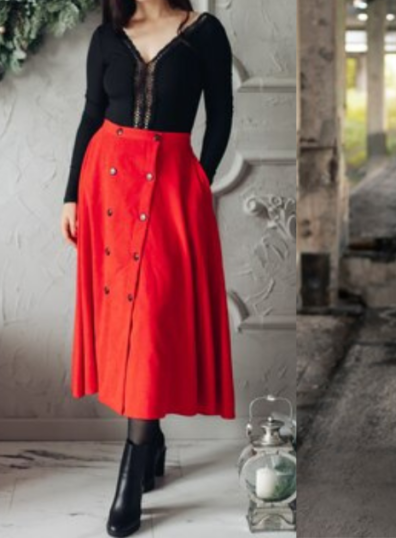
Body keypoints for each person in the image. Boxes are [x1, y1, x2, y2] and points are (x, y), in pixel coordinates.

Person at [58, 1, 234, 535]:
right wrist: (70, 197)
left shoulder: (204, 32)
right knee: (122, 326)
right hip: (107, 187)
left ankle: (133, 468)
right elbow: (92, 114)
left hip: (172, 192)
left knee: (152, 322)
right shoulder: (108, 35)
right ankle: (149, 439)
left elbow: (221, 114)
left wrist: (197, 184)